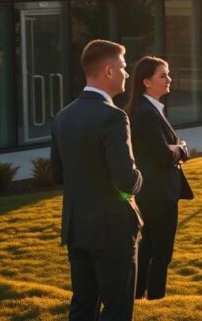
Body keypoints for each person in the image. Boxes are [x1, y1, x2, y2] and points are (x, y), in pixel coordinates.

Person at [51, 40, 143, 321]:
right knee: (117, 308)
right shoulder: (114, 117)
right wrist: (139, 177)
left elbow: (57, 174)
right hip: (112, 230)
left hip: (77, 227)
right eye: (123, 67)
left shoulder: (63, 116)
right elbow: (126, 181)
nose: (127, 73)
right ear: (108, 70)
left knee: (82, 305)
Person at [125, 57, 194, 300]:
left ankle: (137, 295)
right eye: (163, 75)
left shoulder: (149, 109)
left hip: (153, 191)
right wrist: (182, 149)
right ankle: (156, 298)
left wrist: (175, 150)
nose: (169, 79)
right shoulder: (146, 113)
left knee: (149, 246)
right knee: (162, 251)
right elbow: (164, 155)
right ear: (146, 82)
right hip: (159, 193)